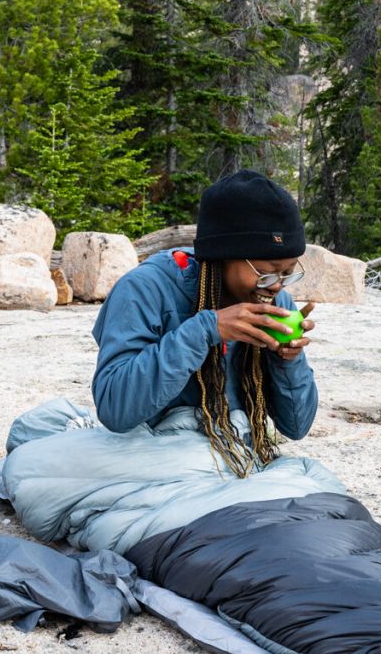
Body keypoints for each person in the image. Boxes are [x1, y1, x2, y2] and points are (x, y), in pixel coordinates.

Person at [91, 169, 317, 476]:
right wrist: (204, 330)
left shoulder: (272, 302)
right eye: (267, 272)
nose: (277, 286)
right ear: (222, 255)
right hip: (148, 457)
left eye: (288, 272)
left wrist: (288, 361)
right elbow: (115, 409)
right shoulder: (144, 291)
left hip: (231, 458)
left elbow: (297, 426)